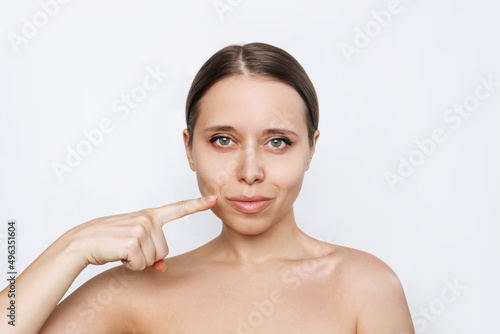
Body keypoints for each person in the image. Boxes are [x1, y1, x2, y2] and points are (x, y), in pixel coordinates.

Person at [1, 42, 415, 333]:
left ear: (310, 150)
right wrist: (72, 247)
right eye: (223, 140)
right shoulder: (132, 291)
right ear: (190, 149)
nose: (250, 171)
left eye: (278, 142)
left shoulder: (366, 287)